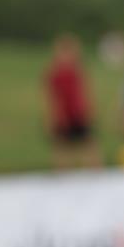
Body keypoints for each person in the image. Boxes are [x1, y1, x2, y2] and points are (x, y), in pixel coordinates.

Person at [44, 34, 101, 168]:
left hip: (79, 114)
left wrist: (89, 109)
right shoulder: (54, 73)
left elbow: (85, 91)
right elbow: (50, 97)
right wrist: (52, 117)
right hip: (63, 115)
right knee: (62, 148)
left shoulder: (78, 70)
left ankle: (96, 174)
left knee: (89, 145)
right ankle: (63, 176)